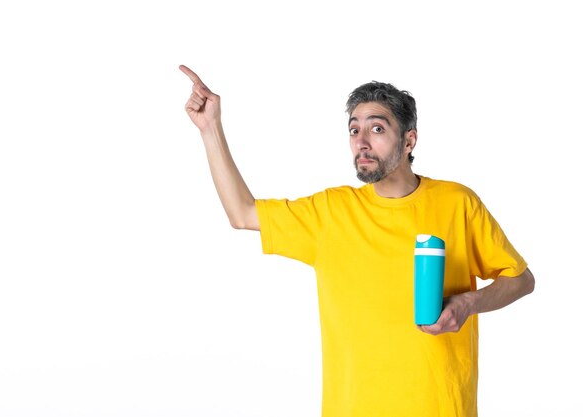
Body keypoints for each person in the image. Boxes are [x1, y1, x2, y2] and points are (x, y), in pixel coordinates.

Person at [179, 64, 535, 417]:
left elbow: (521, 279)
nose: (361, 143)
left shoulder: (458, 203)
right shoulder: (331, 212)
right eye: (354, 130)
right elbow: (242, 213)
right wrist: (210, 128)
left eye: (377, 128)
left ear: (409, 139)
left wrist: (468, 303)